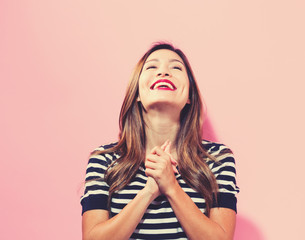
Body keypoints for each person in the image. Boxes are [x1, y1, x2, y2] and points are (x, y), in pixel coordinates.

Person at [80, 43, 240, 240]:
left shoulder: (217, 159)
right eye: (152, 67)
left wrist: (171, 187)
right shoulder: (103, 160)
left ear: (189, 96)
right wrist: (149, 191)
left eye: (176, 67)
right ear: (137, 93)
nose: (163, 72)